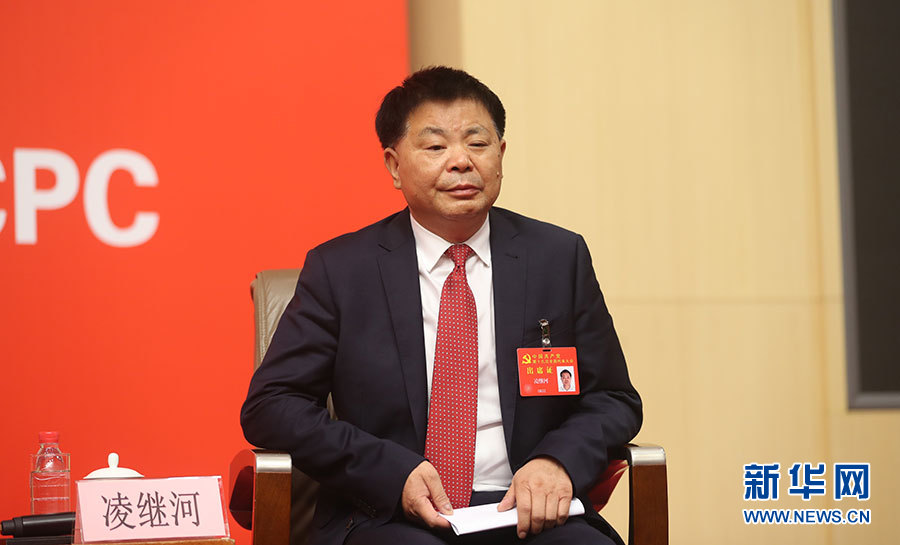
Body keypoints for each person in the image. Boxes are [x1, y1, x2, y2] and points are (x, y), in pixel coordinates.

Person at [241, 66, 642, 545]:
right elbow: (272, 405)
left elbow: (613, 398)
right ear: (394, 166)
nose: (461, 162)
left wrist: (556, 461)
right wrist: (390, 470)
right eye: (435, 147)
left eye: (477, 143)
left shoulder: (557, 257)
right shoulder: (341, 269)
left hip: (528, 512)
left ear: (501, 155)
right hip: (388, 514)